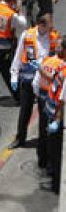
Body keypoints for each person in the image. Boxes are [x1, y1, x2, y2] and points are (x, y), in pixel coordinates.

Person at [9, 12, 61, 150]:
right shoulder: (27, 35)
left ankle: (44, 141)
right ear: (41, 24)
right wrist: (14, 76)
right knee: (25, 110)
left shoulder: (54, 37)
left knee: (44, 112)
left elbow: (59, 57)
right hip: (28, 79)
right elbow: (18, 56)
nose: (52, 26)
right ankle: (20, 139)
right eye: (50, 23)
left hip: (44, 82)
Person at [40, 37, 66, 192]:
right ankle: (53, 176)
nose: (56, 49)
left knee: (56, 152)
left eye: (59, 47)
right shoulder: (62, 66)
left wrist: (57, 121)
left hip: (58, 117)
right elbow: (54, 81)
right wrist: (41, 69)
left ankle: (56, 185)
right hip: (51, 113)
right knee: (52, 148)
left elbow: (62, 100)